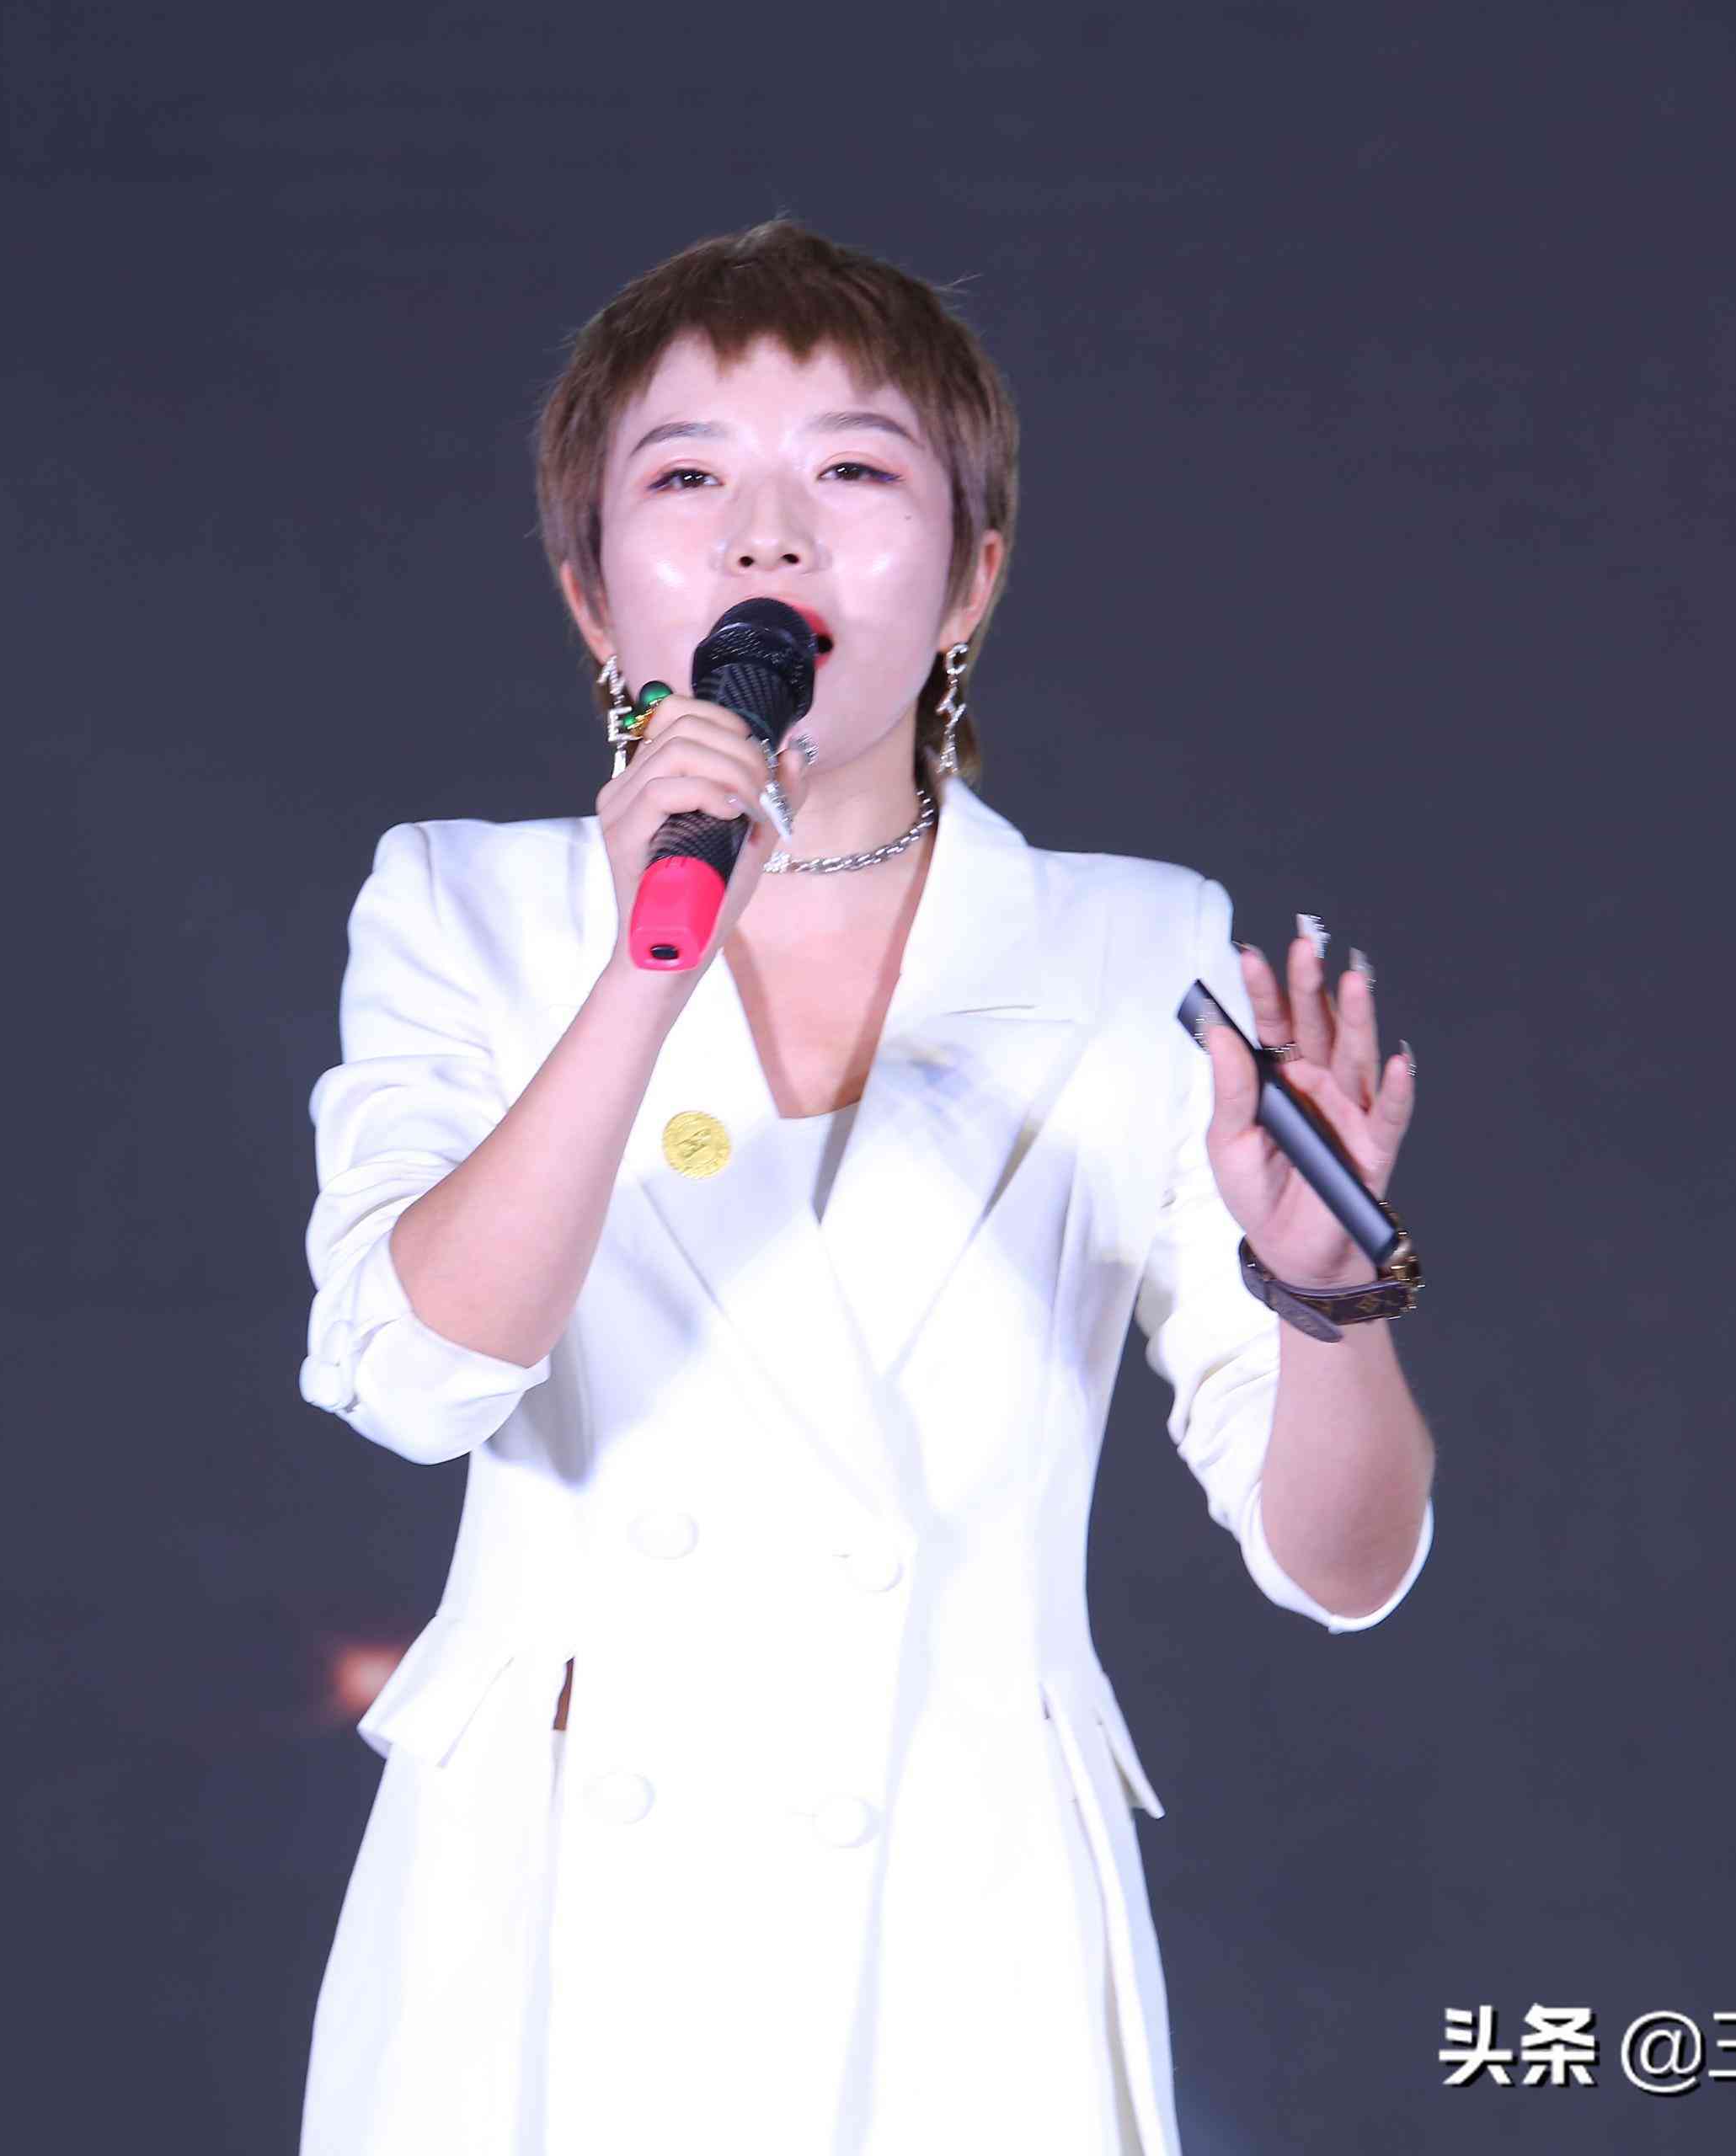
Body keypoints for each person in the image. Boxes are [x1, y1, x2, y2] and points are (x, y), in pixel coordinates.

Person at [293, 220, 1438, 2156]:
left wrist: (1322, 1288)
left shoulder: (1133, 945)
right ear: (591, 595)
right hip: (546, 1932)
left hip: (960, 1932)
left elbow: (1342, 1562)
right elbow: (413, 1378)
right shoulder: (464, 905)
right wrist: (639, 970)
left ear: (973, 571)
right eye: (686, 480)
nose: (768, 537)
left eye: (851, 468)